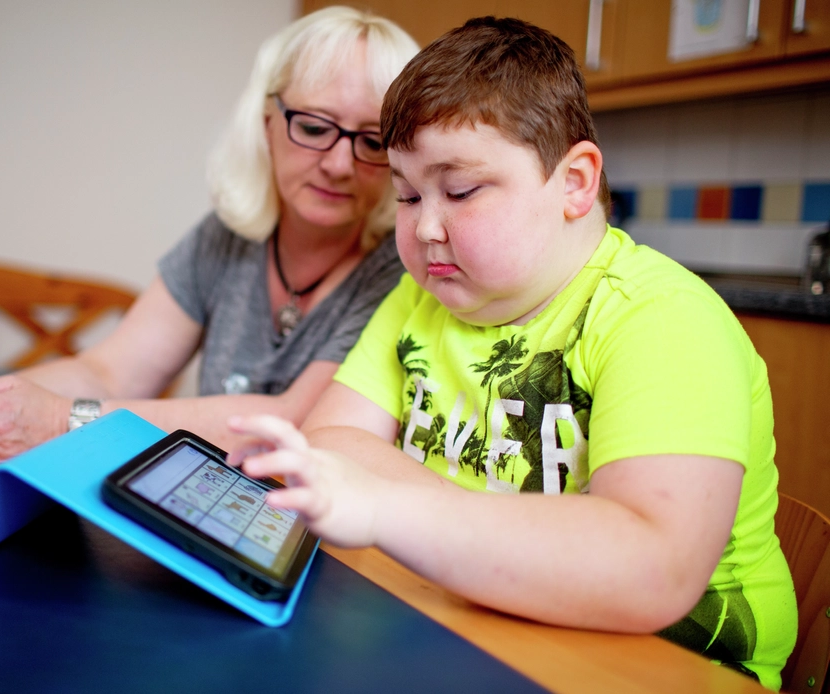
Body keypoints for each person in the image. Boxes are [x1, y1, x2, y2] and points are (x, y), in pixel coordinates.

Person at [226, 17, 797, 690]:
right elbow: (333, 443)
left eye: (461, 191)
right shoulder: (421, 297)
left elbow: (651, 568)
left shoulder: (662, 317)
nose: (425, 227)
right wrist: (484, 543)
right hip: (474, 621)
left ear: (575, 182)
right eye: (406, 194)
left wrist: (393, 514)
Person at [0, 7, 419, 465]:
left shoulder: (402, 270)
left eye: (372, 141)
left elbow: (290, 422)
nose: (340, 165)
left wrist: (59, 420)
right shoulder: (226, 238)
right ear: (266, 120)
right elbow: (109, 371)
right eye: (315, 127)